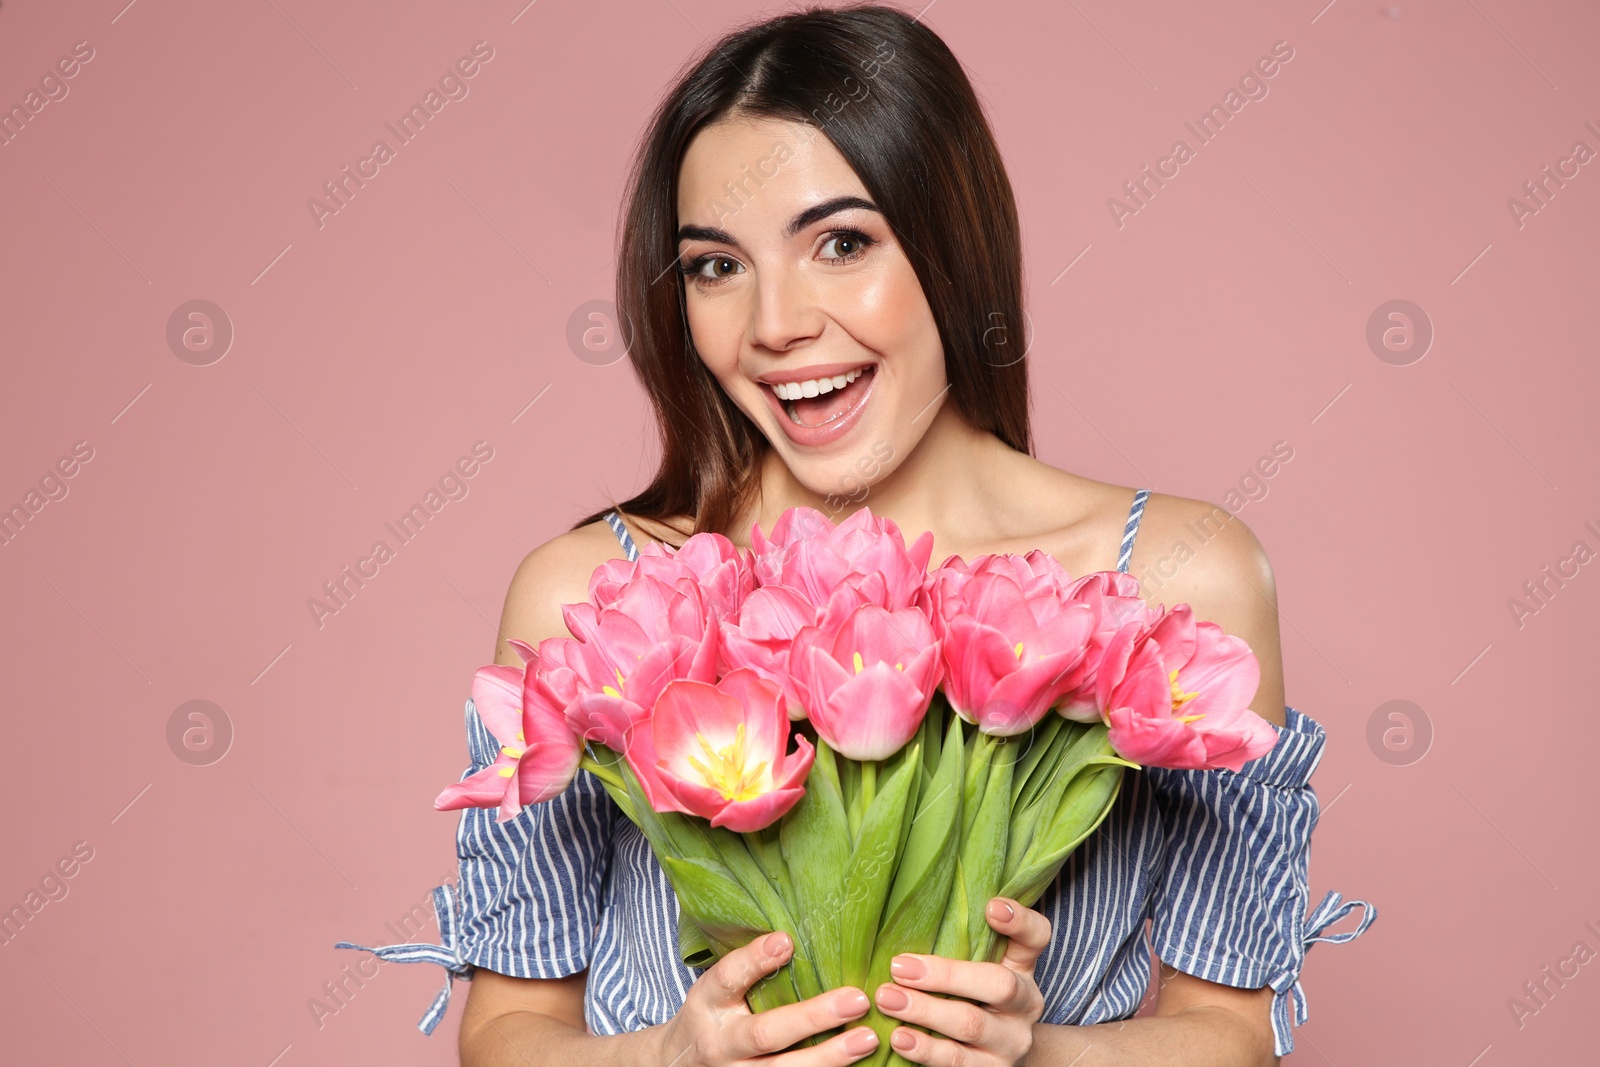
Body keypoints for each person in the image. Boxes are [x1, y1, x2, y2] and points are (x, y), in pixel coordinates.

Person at [336, 5, 1375, 1064]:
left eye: (841, 242)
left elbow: (1229, 1028)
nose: (774, 322)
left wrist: (1045, 1052)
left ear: (951, 245)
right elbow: (510, 1029)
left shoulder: (1171, 578)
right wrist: (660, 1057)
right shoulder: (603, 602)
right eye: (715, 266)